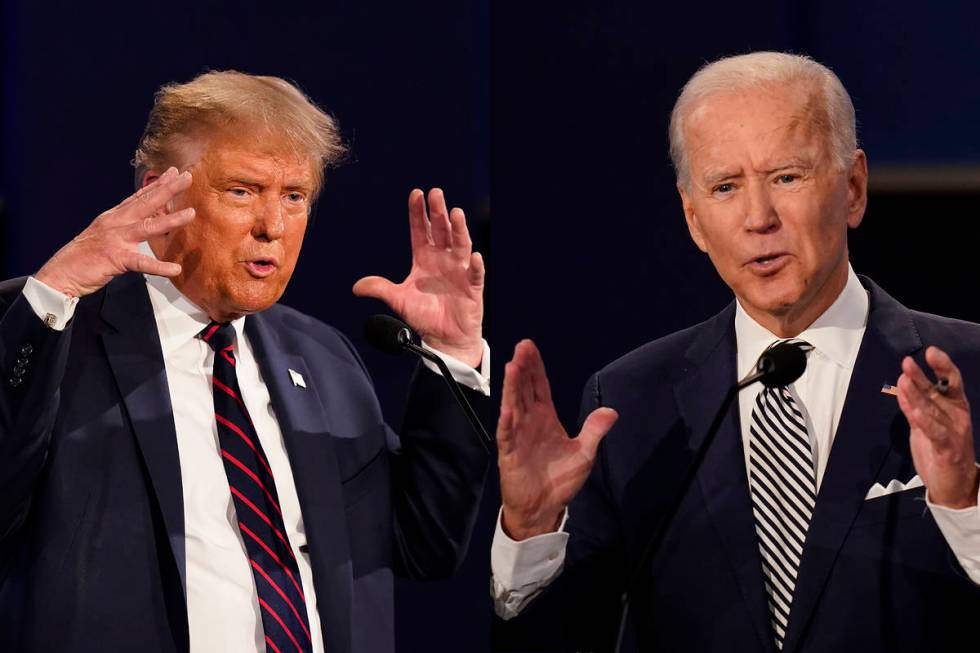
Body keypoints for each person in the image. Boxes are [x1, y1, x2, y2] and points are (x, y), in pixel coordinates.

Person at [491, 52, 980, 652]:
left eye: (786, 177)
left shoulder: (968, 373)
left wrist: (963, 504)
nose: (758, 218)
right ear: (694, 220)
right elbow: (566, 636)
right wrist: (531, 530)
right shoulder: (630, 403)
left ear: (853, 188)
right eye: (726, 187)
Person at [0, 71, 490, 653]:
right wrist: (53, 291)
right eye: (241, 190)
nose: (273, 227)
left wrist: (453, 355)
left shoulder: (323, 358)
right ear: (159, 194)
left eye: (294, 196)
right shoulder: (46, 325)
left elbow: (424, 546)